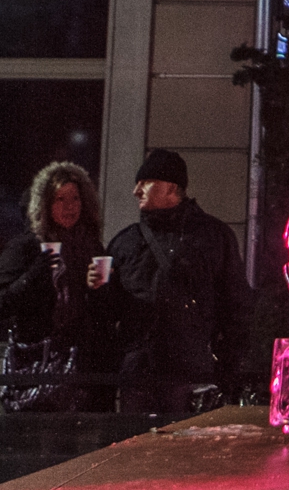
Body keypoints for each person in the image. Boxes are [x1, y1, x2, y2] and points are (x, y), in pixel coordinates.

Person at [103, 149, 254, 414]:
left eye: (145, 182)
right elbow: (107, 312)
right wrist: (97, 289)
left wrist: (225, 366)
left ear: (171, 187)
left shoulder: (212, 237)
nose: (136, 191)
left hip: (189, 374)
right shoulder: (126, 242)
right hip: (141, 374)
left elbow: (236, 305)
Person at [0, 162, 112, 411]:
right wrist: (33, 276)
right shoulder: (26, 247)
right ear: (45, 204)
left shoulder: (91, 247)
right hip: (39, 372)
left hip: (83, 375)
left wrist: (100, 289)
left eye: (75, 198)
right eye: (59, 199)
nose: (70, 207)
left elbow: (104, 315)